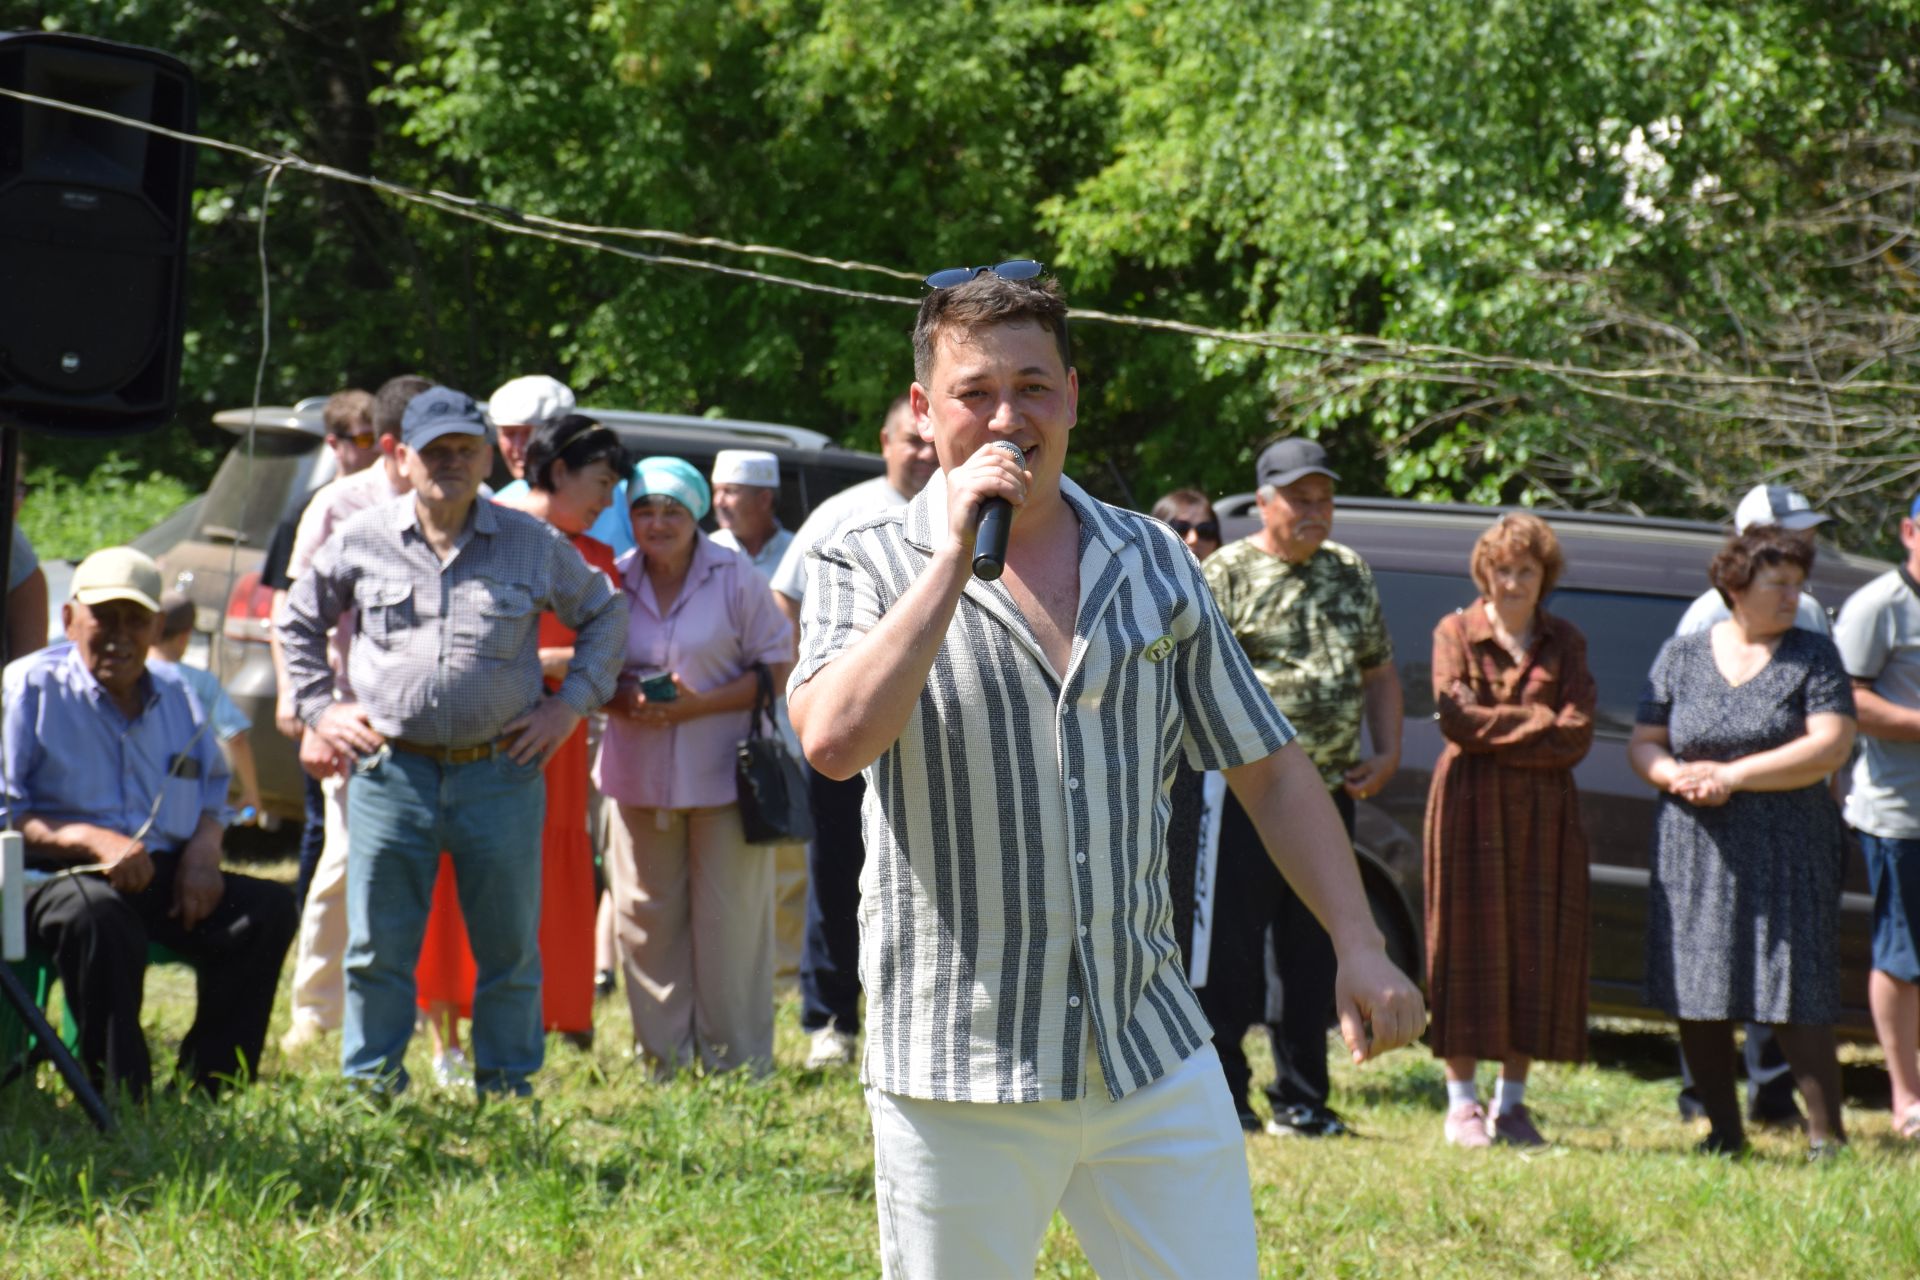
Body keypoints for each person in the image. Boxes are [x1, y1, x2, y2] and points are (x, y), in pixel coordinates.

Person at [788, 265, 1423, 1276]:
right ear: (924, 407)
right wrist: (950, 560)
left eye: (1034, 387)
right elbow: (832, 741)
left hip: (1148, 1049)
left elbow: (1269, 766)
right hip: (959, 1067)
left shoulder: (1157, 561)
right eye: (976, 392)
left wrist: (1358, 940)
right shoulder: (859, 561)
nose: (1008, 417)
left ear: (1073, 396)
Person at [280, 385, 623, 1096]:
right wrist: (319, 707)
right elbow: (295, 619)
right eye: (434, 452)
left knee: (507, 950)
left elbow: (605, 616)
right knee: (377, 947)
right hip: (389, 774)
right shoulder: (364, 538)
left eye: (465, 451)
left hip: (499, 772)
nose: (450, 464)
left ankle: (506, 1087)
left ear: (490, 457)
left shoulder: (531, 544)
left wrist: (570, 709)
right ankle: (372, 1089)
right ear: (402, 458)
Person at [7, 547, 296, 1099]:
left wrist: (205, 852)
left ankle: (211, 1087)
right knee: (99, 917)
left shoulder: (180, 695)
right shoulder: (29, 688)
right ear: (70, 620)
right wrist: (90, 840)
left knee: (265, 910)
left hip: (158, 873)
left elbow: (216, 791)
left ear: (157, 627)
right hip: (49, 876)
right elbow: (6, 812)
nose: (120, 635)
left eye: (135, 620)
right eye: (104, 618)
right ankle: (118, 1095)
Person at [1199, 436, 1404, 1137]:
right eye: (1299, 498)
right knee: (1229, 951)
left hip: (1329, 792)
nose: (1315, 511)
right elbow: (1195, 681)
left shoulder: (1350, 572)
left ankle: (1303, 1098)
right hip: (1240, 797)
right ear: (1264, 502)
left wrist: (1388, 751)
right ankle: (1226, 1093)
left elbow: (1378, 671)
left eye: (1324, 498)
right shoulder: (1225, 571)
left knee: (1316, 950)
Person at [1629, 526, 1855, 1157]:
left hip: (1790, 843)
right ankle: (1724, 1135)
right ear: (1735, 587)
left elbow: (1830, 745)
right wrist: (1675, 774)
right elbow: (1644, 741)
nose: (1792, 596)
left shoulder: (1814, 655)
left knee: (1793, 985)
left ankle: (1826, 1139)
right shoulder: (1681, 654)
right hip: (1695, 843)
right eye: (1777, 584)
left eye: (1797, 584)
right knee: (1698, 985)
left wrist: (1732, 776)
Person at [412, 413, 626, 1070]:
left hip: (553, 747)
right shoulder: (485, 531)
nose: (608, 499)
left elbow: (612, 641)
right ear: (557, 470)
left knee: (543, 881)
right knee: (456, 878)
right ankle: (446, 1040)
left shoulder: (594, 557)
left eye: (616, 485)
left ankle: (529, 1029)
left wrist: (573, 676)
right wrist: (552, 663)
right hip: (477, 737)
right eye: (600, 481)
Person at [596, 457, 794, 1078]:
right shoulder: (611, 581)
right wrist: (622, 695)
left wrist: (698, 704)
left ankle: (737, 1064)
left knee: (730, 926)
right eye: (645, 510)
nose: (658, 522)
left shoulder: (734, 576)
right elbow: (590, 671)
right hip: (635, 777)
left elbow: (779, 668)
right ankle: (662, 1060)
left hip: (724, 781)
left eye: (672, 510)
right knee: (645, 922)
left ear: (697, 514)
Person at [770, 394, 937, 1069]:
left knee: (930, 878)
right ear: (886, 441)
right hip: (846, 728)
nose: (923, 453)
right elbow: (783, 601)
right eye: (910, 441)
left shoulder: (981, 511)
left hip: (933, 732)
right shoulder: (842, 513)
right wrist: (804, 692)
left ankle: (917, 1019)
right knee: (837, 875)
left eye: (931, 442)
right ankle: (831, 1020)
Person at [1424, 514, 1596, 1148]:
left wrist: (1498, 725)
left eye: (1527, 570)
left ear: (1544, 576)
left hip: (1546, 814)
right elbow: (1455, 719)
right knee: (1464, 942)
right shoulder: (1455, 631)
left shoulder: (1566, 640)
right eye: (1503, 570)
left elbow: (1578, 732)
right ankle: (1461, 1103)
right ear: (1484, 574)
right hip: (1468, 808)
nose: (1514, 581)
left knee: (1535, 945)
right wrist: (1537, 722)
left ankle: (1513, 1103)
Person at [276, 374, 433, 1058]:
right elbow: (294, 614)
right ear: (394, 444)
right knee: (344, 860)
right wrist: (308, 715)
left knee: (425, 866)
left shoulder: (465, 503)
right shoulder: (339, 504)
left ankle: (420, 1002)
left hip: (437, 721)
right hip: (352, 714)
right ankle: (315, 1007)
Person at [1669, 482, 1832, 1127]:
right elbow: (1682, 728)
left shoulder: (1810, 613)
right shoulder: (1703, 619)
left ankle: (1774, 1095)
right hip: (1719, 818)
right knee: (1710, 958)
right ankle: (1703, 1102)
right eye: (1789, 531)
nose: (1807, 542)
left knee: (1780, 960)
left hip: (1792, 814)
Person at [262, 388, 380, 910]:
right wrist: (295, 698)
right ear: (335, 444)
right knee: (322, 825)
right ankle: (303, 921)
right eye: (361, 438)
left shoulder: (392, 503)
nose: (373, 448)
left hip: (369, 698)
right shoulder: (310, 512)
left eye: (379, 436)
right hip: (324, 693)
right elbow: (286, 616)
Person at [1833, 493, 1920, 1139]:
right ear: (1909, 531)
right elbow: (1846, 703)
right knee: (1902, 956)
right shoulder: (1877, 607)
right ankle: (1906, 1101)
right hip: (1899, 815)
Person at [708, 448, 806, 983]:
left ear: (765, 498)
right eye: (717, 490)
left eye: (731, 493)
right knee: (728, 859)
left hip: (789, 727)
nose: (719, 503)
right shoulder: (706, 553)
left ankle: (786, 974)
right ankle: (734, 969)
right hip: (718, 724)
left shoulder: (800, 553)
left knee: (788, 859)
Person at [1149, 487, 1223, 970]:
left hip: (1204, 771)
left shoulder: (1226, 593)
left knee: (1198, 904)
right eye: (1182, 528)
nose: (1195, 539)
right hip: (1141, 769)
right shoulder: (1136, 589)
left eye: (1207, 530)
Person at [490, 374, 635, 557]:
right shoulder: (486, 515)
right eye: (509, 434)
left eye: (529, 434)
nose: (520, 448)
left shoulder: (625, 499)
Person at [150, 592, 263, 823]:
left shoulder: (131, 676)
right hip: (185, 792)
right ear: (186, 636)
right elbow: (236, 736)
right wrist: (251, 791)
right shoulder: (201, 682)